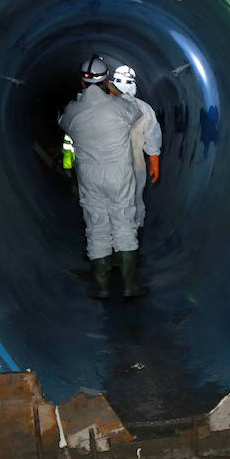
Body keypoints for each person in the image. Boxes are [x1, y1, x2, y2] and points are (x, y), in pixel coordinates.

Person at [59, 55, 148, 299]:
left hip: (89, 175)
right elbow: (135, 112)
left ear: (82, 82)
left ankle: (101, 287)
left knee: (96, 226)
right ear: (106, 81)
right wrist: (115, 92)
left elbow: (64, 123)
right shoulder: (119, 107)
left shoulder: (73, 110)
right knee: (124, 224)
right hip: (118, 173)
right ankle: (130, 286)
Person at [112, 64, 161, 228]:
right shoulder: (144, 108)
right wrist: (154, 161)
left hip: (109, 166)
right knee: (135, 199)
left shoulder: (102, 107)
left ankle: (113, 232)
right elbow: (152, 136)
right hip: (136, 166)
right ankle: (134, 230)